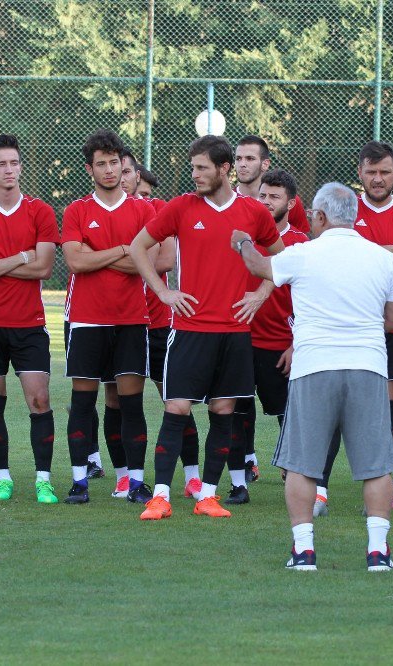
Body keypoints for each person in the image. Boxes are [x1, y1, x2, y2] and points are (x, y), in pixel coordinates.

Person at [233, 182, 393, 571]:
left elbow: (259, 266)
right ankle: (378, 550)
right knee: (377, 466)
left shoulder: (303, 253)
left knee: (302, 464)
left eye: (312, 215)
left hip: (314, 367)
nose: (309, 220)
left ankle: (304, 550)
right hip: (368, 366)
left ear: (323, 216)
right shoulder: (381, 258)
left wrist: (242, 241)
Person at [129, 135, 283, 520]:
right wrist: (163, 292)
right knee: (177, 408)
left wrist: (261, 294)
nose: (194, 174)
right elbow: (137, 247)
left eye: (202, 168)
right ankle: (160, 496)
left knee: (223, 411)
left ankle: (209, 497)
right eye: (193, 167)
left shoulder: (253, 212)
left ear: (224, 169)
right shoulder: (181, 207)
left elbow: (283, 258)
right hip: (189, 329)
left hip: (234, 332)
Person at [315, 141, 393, 513]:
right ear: (360, 172)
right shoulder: (346, 209)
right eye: (370, 172)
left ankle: (390, 490)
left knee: (384, 411)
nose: (377, 179)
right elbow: (330, 255)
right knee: (333, 408)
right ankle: (319, 491)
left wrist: (369, 247)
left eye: (384, 172)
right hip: (345, 325)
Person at [0, 134, 60, 504]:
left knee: (39, 400)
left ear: (21, 167)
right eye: (1, 164)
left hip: (29, 324)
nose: (9, 170)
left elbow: (45, 267)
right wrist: (21, 258)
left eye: (14, 163)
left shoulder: (40, 212)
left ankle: (43, 480)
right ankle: (3, 479)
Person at [61, 130, 157, 504]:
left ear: (123, 165)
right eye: (100, 163)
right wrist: (124, 250)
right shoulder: (77, 210)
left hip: (132, 319)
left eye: (114, 162)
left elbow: (152, 261)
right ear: (90, 169)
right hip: (87, 320)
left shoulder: (143, 210)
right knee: (83, 403)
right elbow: (74, 261)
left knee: (131, 404)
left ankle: (136, 482)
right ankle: (79, 482)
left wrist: (98, 254)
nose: (108, 169)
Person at [225, 169, 309, 505]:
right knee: (234, 409)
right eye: (262, 195)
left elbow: (311, 301)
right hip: (239, 338)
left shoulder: (302, 243)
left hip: (279, 345)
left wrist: (295, 343)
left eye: (274, 196)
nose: (266, 202)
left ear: (290, 202)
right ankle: (238, 481)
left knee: (286, 413)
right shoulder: (241, 238)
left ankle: (293, 474)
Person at [123, 160, 203, 501]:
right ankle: (126, 477)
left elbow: (166, 260)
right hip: (121, 320)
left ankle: (193, 476)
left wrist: (117, 259)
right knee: (120, 401)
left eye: (126, 170)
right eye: (114, 168)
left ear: (137, 175)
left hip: (157, 321)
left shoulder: (156, 209)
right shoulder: (92, 209)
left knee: (175, 400)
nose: (121, 176)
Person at [235, 135, 309, 234]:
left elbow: (301, 241)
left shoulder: (289, 201)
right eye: (238, 158)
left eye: (250, 158)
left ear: (265, 164)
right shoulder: (226, 201)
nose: (242, 164)